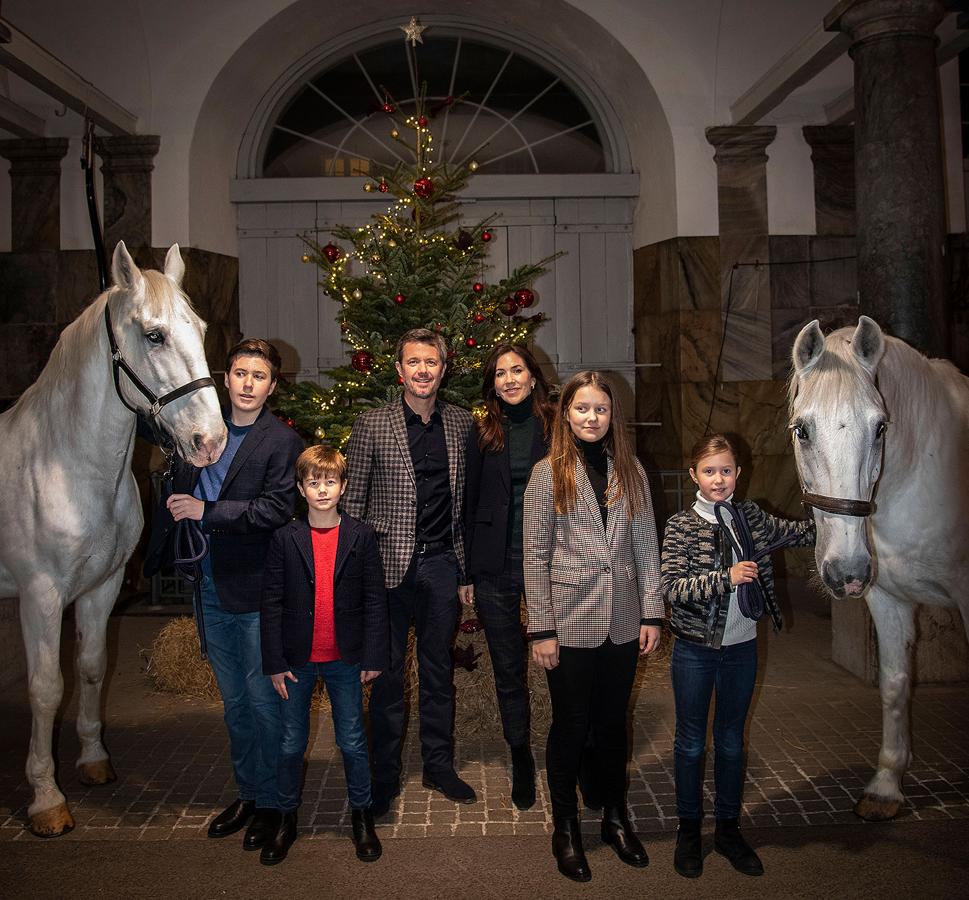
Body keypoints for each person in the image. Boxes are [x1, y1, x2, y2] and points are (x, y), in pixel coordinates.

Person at [144, 339, 304, 852]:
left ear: (272, 385)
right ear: (226, 378)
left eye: (259, 376)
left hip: (256, 590)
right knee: (234, 704)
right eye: (240, 373)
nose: (248, 384)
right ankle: (250, 795)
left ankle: (277, 805)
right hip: (207, 584)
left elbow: (276, 509)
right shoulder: (201, 429)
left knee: (264, 703)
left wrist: (206, 512)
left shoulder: (282, 441)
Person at [524, 370, 663, 883]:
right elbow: (534, 556)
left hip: (623, 620)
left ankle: (614, 816)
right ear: (566, 414)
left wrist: (652, 612)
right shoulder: (548, 474)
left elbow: (646, 546)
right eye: (581, 408)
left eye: (600, 409)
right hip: (569, 621)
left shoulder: (631, 470)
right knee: (571, 725)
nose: (591, 417)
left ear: (612, 416)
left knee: (611, 725)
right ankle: (565, 826)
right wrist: (541, 629)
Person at [662, 433, 815, 879]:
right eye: (709, 471)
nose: (718, 479)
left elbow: (803, 532)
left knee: (730, 741)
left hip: (742, 648)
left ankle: (728, 830)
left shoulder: (752, 517)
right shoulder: (681, 525)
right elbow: (671, 588)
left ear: (738, 474)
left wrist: (832, 503)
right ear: (694, 475)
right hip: (694, 650)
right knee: (691, 743)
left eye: (726, 471)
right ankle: (689, 832)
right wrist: (724, 577)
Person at [342, 327, 475, 818]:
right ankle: (384, 775)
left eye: (431, 362)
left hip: (441, 564)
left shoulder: (462, 424)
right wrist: (354, 576)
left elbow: (467, 502)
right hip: (385, 568)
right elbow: (353, 505)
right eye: (413, 362)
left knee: (439, 672)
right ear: (399, 370)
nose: (423, 370)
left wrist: (465, 570)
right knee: (388, 677)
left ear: (444, 368)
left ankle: (438, 766)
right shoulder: (372, 425)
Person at [259, 446, 389, 865]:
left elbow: (375, 600)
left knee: (351, 740)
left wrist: (374, 655)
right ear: (301, 489)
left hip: (345, 659)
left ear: (343, 486)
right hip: (295, 661)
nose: (322, 490)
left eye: (330, 481)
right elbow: (271, 602)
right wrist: (274, 662)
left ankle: (362, 816)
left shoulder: (361, 536)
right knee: (290, 742)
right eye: (313, 482)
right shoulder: (285, 538)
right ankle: (286, 818)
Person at [463, 343, 553, 810]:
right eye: (501, 374)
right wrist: (466, 571)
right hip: (494, 565)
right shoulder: (483, 431)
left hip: (550, 563)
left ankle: (568, 748)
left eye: (517, 370)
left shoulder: (557, 426)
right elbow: (467, 501)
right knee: (508, 668)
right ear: (493, 385)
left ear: (533, 377)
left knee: (561, 663)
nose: (510, 379)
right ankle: (519, 753)